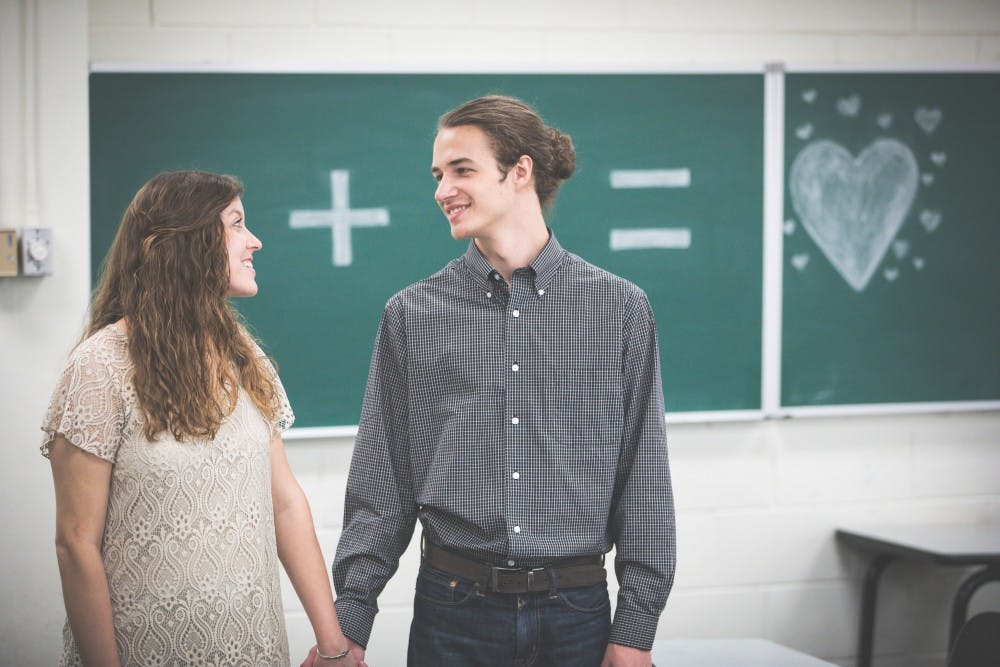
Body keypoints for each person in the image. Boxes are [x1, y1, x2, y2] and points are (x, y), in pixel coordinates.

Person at [333, 95, 675, 667]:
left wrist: (637, 628)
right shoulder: (411, 314)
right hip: (452, 610)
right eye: (438, 175)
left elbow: (644, 480)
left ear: (520, 172)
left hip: (578, 615)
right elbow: (383, 479)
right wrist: (350, 619)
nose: (443, 190)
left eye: (461, 170)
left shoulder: (619, 309)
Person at [41, 170, 357, 667]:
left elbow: (285, 505)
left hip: (255, 649)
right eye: (236, 224)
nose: (254, 241)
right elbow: (75, 544)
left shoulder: (243, 355)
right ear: (187, 241)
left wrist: (333, 645)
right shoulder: (100, 366)